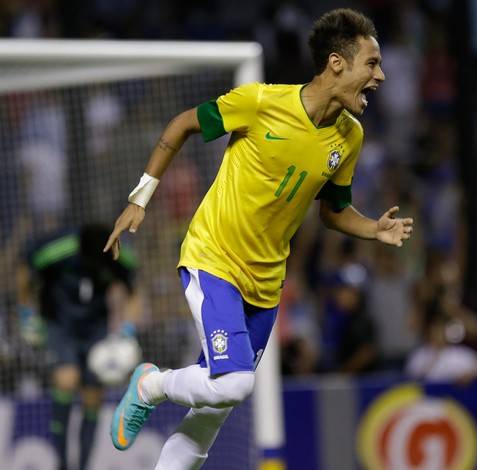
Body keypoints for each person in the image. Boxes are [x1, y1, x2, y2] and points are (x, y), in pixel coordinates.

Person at [104, 8, 413, 469]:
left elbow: (332, 211)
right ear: (336, 64)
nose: (382, 76)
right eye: (371, 63)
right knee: (234, 384)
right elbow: (184, 123)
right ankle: (151, 384)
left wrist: (373, 228)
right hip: (215, 258)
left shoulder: (349, 137)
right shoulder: (261, 102)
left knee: (215, 409)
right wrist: (140, 198)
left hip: (266, 283)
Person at [16, 223, 140, 470]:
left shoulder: (118, 254)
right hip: (58, 322)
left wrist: (128, 330)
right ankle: (61, 462)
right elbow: (23, 269)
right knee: (67, 378)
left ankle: (83, 466)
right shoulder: (56, 251)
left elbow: (133, 291)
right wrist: (26, 312)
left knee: (93, 398)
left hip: (95, 326)